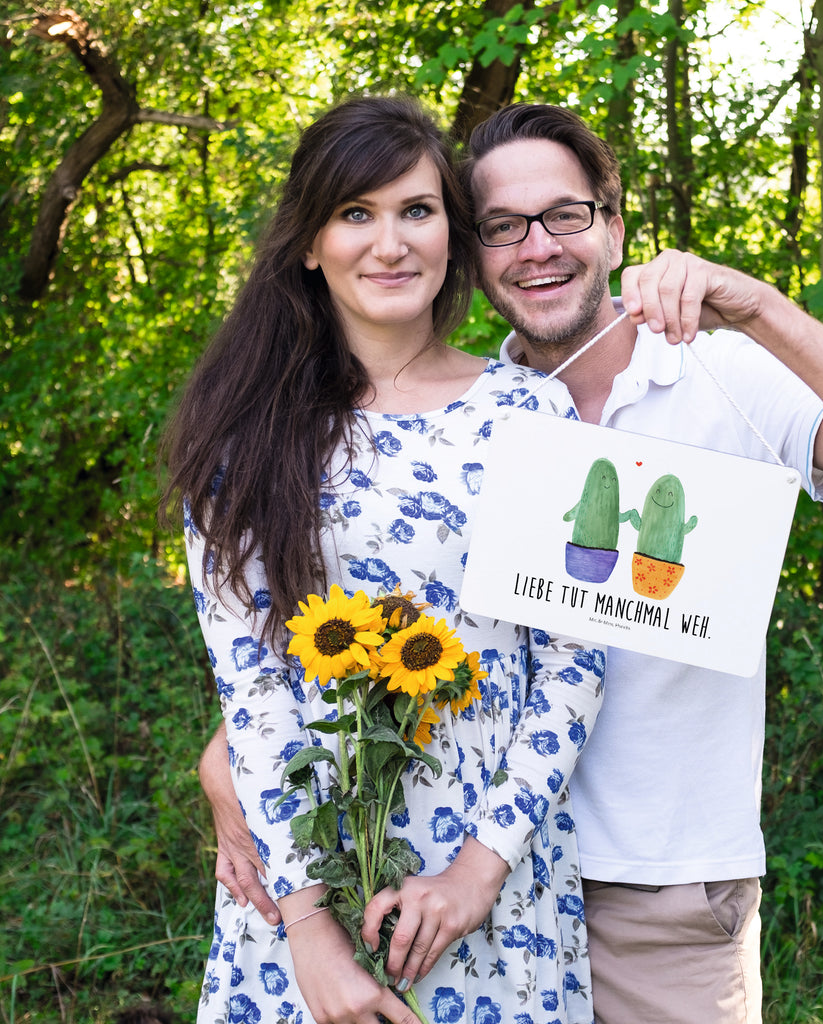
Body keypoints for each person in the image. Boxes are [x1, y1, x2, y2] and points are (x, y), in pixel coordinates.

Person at [202, 102, 823, 1024]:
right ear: (474, 250)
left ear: (612, 225)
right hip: (418, 875)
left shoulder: (710, 374)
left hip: (650, 887)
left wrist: (759, 306)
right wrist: (235, 771)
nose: (537, 247)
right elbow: (330, 634)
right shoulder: (458, 416)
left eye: (565, 215)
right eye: (502, 226)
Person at [163, 96, 607, 1024]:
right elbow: (253, 690)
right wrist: (311, 937)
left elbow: (573, 661)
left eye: (417, 210)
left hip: (492, 886)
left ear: (452, 230)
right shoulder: (244, 437)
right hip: (301, 886)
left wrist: (478, 873)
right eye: (355, 214)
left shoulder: (532, 415)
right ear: (309, 244)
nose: (390, 243)